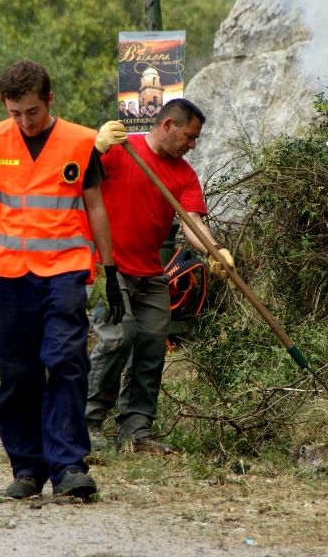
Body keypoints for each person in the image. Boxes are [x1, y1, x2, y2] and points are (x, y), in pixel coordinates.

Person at [0, 60, 125, 500]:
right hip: (8, 274)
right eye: (15, 113)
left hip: (65, 271)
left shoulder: (79, 142)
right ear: (3, 105)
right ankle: (27, 467)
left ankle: (69, 467)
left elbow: (95, 207)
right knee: (18, 372)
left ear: (49, 99)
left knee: (66, 361)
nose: (25, 122)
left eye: (32, 111)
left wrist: (109, 269)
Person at [86, 99, 235, 453]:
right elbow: (73, 178)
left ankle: (136, 432)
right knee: (118, 337)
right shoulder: (121, 150)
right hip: (107, 267)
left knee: (151, 349)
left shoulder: (184, 175)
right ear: (168, 125)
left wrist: (215, 250)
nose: (192, 145)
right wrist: (95, 148)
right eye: (189, 136)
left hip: (151, 273)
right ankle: (86, 422)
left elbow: (192, 222)